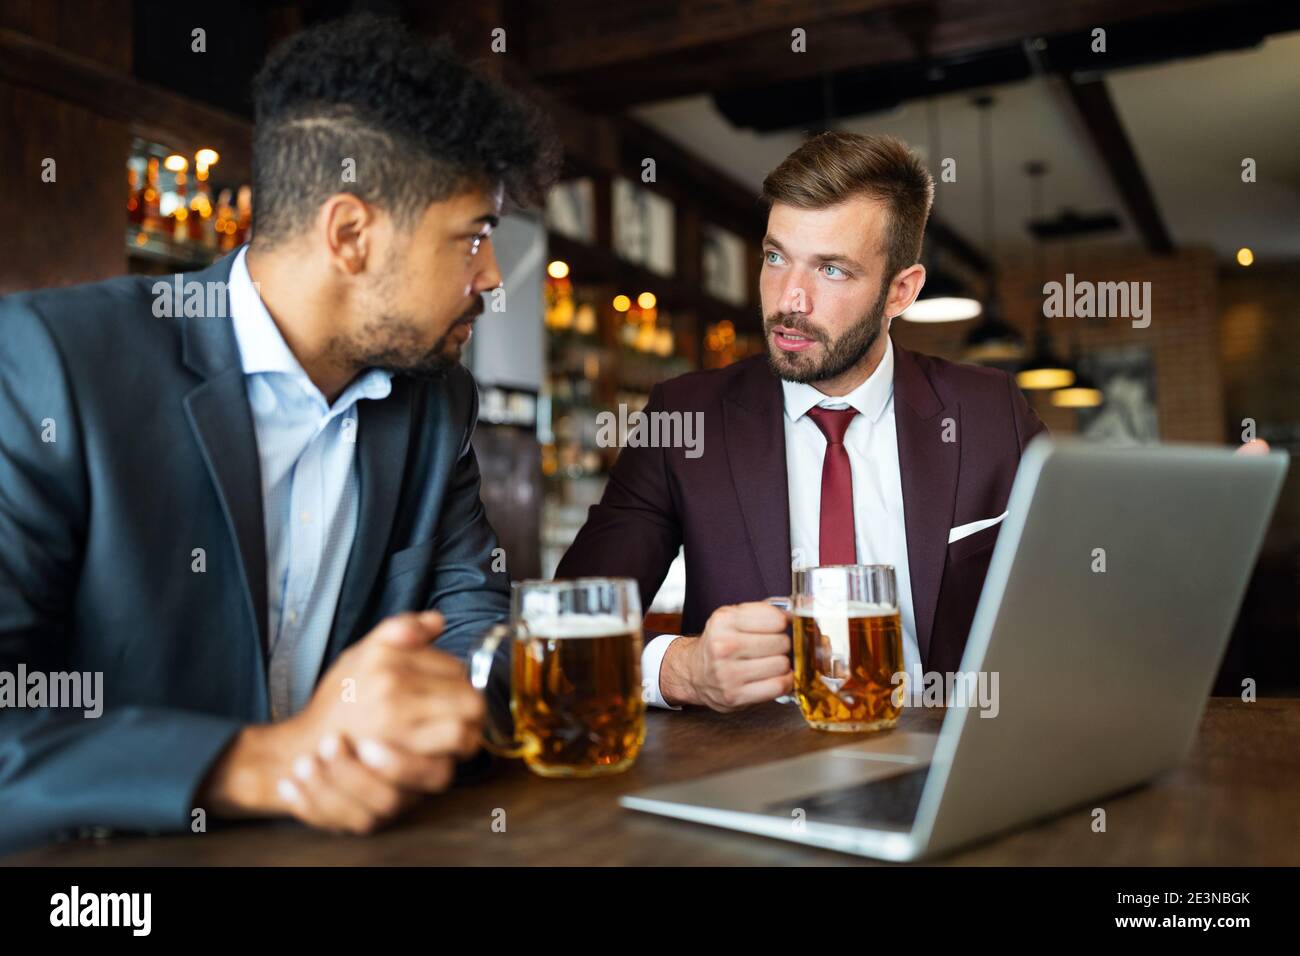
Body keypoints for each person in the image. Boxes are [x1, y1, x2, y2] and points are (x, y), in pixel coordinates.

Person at [0, 14, 556, 851]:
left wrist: (422, 712)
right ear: (349, 235)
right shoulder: (53, 364)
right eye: (473, 237)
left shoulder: (433, 403)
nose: (489, 278)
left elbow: (480, 625)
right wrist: (260, 762)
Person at [558, 132, 1041, 712]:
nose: (791, 300)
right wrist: (681, 671)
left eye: (832, 270)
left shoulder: (990, 414)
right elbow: (567, 627)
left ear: (900, 291)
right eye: (775, 256)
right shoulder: (685, 420)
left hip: (945, 766)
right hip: (750, 776)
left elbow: (1082, 606)